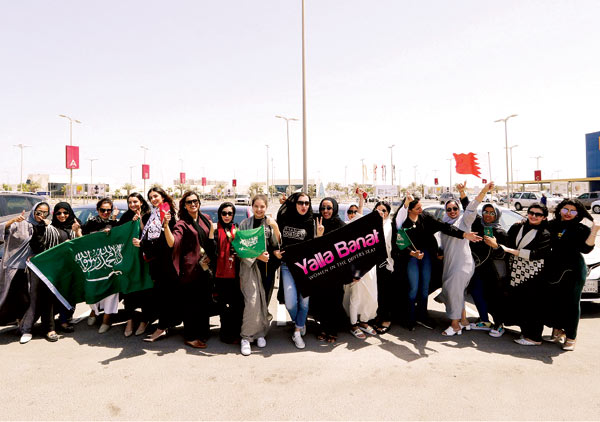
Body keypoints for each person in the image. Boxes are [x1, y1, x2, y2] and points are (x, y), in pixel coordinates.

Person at [393, 193, 480, 331]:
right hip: (410, 256)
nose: (421, 210)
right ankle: (409, 318)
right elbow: (399, 241)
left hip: (426, 256)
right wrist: (412, 253)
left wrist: (464, 234)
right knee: (413, 288)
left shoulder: (425, 217)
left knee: (424, 289)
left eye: (421, 207)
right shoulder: (402, 220)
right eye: (417, 208)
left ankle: (422, 316)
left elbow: (444, 227)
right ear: (409, 210)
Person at [19, 202, 82, 343]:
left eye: (65, 213)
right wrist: (36, 255)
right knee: (48, 298)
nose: (62, 216)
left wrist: (77, 232)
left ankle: (64, 321)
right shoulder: (48, 227)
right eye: (58, 213)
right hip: (52, 269)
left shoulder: (75, 225)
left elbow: (81, 245)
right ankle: (49, 328)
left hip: (68, 268)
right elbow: (38, 244)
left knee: (67, 295)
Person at [436, 182, 491, 336]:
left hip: (462, 264)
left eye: (455, 208)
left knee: (453, 291)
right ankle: (464, 321)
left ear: (459, 209)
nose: (452, 211)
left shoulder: (464, 220)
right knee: (457, 292)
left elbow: (473, 205)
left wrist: (482, 190)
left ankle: (455, 324)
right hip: (449, 263)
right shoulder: (444, 224)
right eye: (449, 209)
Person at [544, 199, 598, 351]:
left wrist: (594, 231)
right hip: (555, 267)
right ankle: (557, 331)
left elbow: (586, 249)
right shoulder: (552, 225)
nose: (568, 213)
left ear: (578, 213)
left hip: (574, 269)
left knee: (572, 304)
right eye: (565, 209)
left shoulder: (581, 229)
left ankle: (571, 337)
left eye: (573, 211)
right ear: (560, 209)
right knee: (555, 300)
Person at [167, 191, 216, 349]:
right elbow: (173, 242)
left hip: (205, 268)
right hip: (190, 270)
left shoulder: (205, 219)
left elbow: (211, 240)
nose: (193, 204)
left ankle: (202, 333)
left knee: (204, 302)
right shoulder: (182, 224)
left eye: (195, 201)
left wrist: (210, 255)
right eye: (189, 202)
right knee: (191, 304)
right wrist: (165, 226)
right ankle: (190, 336)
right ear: (184, 206)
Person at [498, 203, 551, 345]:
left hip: (534, 273)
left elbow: (536, 254)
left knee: (533, 306)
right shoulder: (517, 227)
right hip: (515, 271)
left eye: (538, 214)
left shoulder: (544, 233)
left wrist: (510, 251)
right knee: (521, 303)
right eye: (531, 213)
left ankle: (535, 338)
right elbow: (507, 241)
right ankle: (526, 333)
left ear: (544, 217)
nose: (533, 216)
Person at [238, 194, 281, 356]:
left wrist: (275, 227)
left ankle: (260, 333)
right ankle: (246, 337)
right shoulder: (245, 224)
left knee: (264, 302)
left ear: (266, 207)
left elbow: (276, 245)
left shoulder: (269, 223)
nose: (259, 209)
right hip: (250, 268)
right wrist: (257, 256)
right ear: (252, 207)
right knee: (252, 302)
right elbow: (240, 248)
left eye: (262, 206)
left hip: (268, 269)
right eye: (256, 206)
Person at [461, 197, 509, 333]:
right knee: (476, 292)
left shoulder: (500, 232)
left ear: (497, 215)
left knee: (494, 297)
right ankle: (484, 320)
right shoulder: (478, 225)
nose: (488, 215)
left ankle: (499, 325)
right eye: (485, 212)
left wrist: (495, 245)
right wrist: (462, 193)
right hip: (478, 268)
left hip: (494, 272)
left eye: (492, 213)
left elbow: (505, 254)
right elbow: (469, 209)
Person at [138, 187, 179, 343]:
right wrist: (142, 242)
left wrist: (144, 244)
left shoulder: (168, 213)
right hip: (156, 262)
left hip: (167, 262)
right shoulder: (153, 214)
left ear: (163, 197)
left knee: (165, 297)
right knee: (161, 296)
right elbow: (149, 235)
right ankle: (164, 325)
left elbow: (168, 240)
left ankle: (161, 328)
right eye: (150, 197)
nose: (153, 199)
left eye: (155, 196)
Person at [276, 192, 315, 349]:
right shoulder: (285, 218)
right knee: (291, 302)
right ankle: (300, 321)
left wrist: (319, 234)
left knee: (304, 303)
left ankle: (297, 331)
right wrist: (286, 201)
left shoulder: (311, 221)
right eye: (300, 203)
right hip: (287, 265)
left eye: (306, 203)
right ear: (294, 204)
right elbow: (279, 216)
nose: (303, 206)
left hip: (306, 266)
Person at [0, 204, 45, 327]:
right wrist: (12, 221)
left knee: (28, 299)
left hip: (31, 268)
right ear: (33, 211)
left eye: (45, 213)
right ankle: (19, 322)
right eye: (38, 212)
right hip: (14, 267)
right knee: (13, 297)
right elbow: (3, 230)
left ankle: (22, 323)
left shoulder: (44, 227)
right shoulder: (20, 224)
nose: (41, 215)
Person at [81, 197, 120, 333]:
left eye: (108, 210)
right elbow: (82, 240)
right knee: (93, 287)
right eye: (103, 210)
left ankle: (106, 319)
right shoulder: (90, 223)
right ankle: (94, 311)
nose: (105, 213)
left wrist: (112, 223)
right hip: (94, 263)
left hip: (111, 263)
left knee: (111, 292)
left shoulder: (115, 223)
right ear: (97, 210)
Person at [342, 195, 378, 340]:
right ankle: (353, 325)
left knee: (369, 297)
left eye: (355, 211)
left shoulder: (364, 228)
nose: (353, 214)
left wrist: (361, 201)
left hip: (368, 269)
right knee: (355, 298)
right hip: (354, 270)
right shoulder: (344, 228)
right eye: (350, 211)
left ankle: (364, 321)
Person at [115, 192, 151, 337]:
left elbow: (152, 235)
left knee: (146, 291)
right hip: (129, 260)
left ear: (141, 202)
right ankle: (129, 321)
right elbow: (118, 232)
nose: (132, 205)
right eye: (130, 202)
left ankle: (144, 320)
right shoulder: (126, 216)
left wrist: (140, 221)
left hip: (145, 259)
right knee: (129, 290)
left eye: (135, 201)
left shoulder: (149, 215)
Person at [311, 197, 346, 343]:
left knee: (335, 301)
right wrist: (319, 236)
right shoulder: (316, 223)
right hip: (320, 270)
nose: (325, 211)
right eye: (322, 208)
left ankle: (333, 330)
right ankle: (323, 328)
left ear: (335, 209)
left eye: (329, 208)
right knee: (322, 301)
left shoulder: (341, 226)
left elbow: (347, 250)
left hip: (336, 271)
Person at [213, 201, 244, 345]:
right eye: (224, 213)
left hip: (236, 274)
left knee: (237, 306)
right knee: (223, 307)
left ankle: (237, 333)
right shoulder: (215, 230)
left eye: (230, 213)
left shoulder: (237, 229)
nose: (226, 216)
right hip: (220, 275)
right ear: (220, 214)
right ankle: (225, 334)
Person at [373, 200, 395, 334]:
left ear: (388, 213)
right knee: (375, 293)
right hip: (372, 264)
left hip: (386, 263)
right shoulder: (370, 224)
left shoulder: (391, 226)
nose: (381, 213)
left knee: (385, 293)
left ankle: (386, 319)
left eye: (384, 211)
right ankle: (377, 316)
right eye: (378, 210)